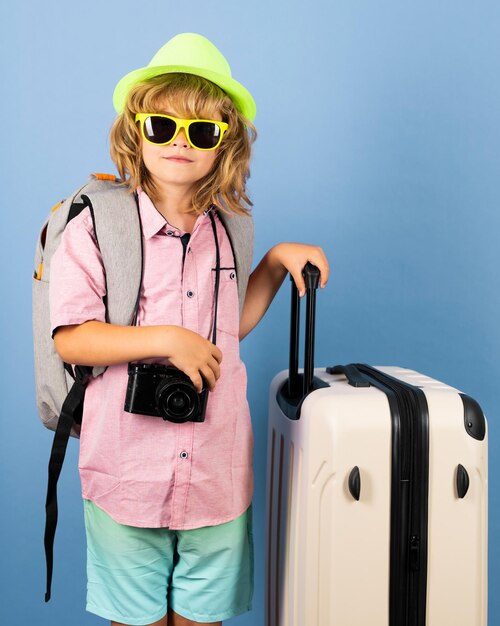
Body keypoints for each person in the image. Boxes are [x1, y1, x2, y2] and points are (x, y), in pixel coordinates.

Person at [49, 33, 329, 626]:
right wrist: (165, 339)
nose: (180, 142)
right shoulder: (94, 224)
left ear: (225, 145)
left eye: (202, 131)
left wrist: (275, 261)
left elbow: (227, 330)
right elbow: (72, 339)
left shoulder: (231, 226)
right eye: (162, 126)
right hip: (126, 471)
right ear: (136, 129)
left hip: (215, 473)